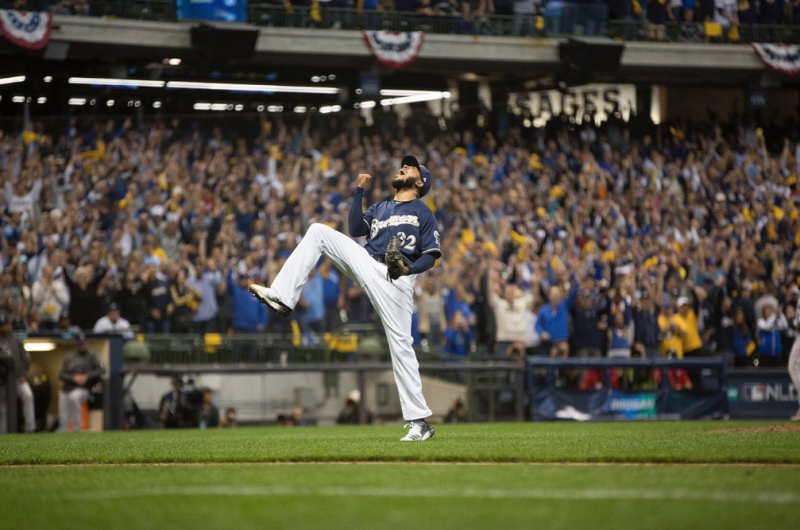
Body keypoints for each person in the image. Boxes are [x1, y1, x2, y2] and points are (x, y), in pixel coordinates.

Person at [250, 156, 440, 442]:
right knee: (317, 231)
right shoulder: (381, 207)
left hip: (397, 279)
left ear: (420, 181)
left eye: (410, 167)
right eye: (404, 165)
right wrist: (358, 193)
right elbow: (355, 230)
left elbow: (431, 256)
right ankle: (282, 295)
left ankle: (419, 422)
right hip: (367, 261)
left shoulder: (423, 214)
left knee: (401, 346)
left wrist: (408, 269)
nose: (403, 167)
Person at [58, 331, 104, 433]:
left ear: (87, 343)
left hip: (83, 388)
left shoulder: (92, 355)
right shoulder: (69, 356)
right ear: (76, 344)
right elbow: (61, 374)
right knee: (63, 399)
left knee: (73, 397)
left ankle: (77, 428)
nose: (82, 345)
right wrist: (73, 378)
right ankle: (63, 429)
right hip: (68, 387)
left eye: (83, 343)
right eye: (80, 343)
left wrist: (87, 376)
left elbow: (101, 370)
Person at [0, 313, 35, 433]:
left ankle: (30, 428)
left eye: (5, 324)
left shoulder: (16, 339)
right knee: (3, 406)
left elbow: (25, 359)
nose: (4, 327)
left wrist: (23, 374)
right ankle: (3, 432)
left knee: (28, 395)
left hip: (17, 376)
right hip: (2, 379)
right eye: (1, 325)